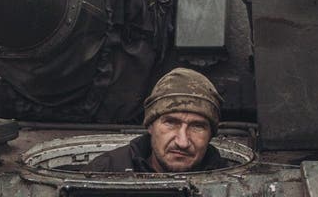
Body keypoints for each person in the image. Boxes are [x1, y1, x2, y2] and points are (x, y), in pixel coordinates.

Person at [82, 67, 231, 172]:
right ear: (150, 126)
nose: (182, 142)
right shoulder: (104, 172)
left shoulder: (236, 183)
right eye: (171, 122)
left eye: (197, 126)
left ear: (211, 134)